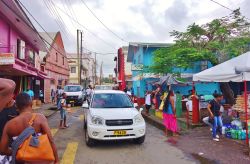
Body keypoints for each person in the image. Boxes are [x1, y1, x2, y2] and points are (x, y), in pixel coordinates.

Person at [0, 93, 59, 163]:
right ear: (31, 104)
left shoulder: (9, 125)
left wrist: (18, 152)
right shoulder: (40, 118)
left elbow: (3, 150)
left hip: (20, 161)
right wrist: (56, 160)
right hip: (38, 160)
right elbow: (51, 140)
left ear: (16, 106)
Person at [0, 78, 18, 163]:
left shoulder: (17, 108)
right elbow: (10, 84)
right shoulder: (1, 106)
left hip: (11, 146)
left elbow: (12, 83)